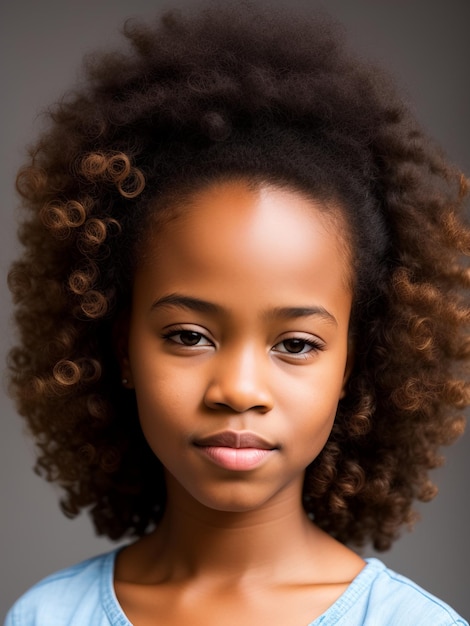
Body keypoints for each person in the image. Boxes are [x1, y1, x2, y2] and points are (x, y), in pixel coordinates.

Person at [4, 4, 469, 625]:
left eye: (297, 344)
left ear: (353, 367)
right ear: (122, 350)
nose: (239, 390)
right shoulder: (45, 617)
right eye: (189, 335)